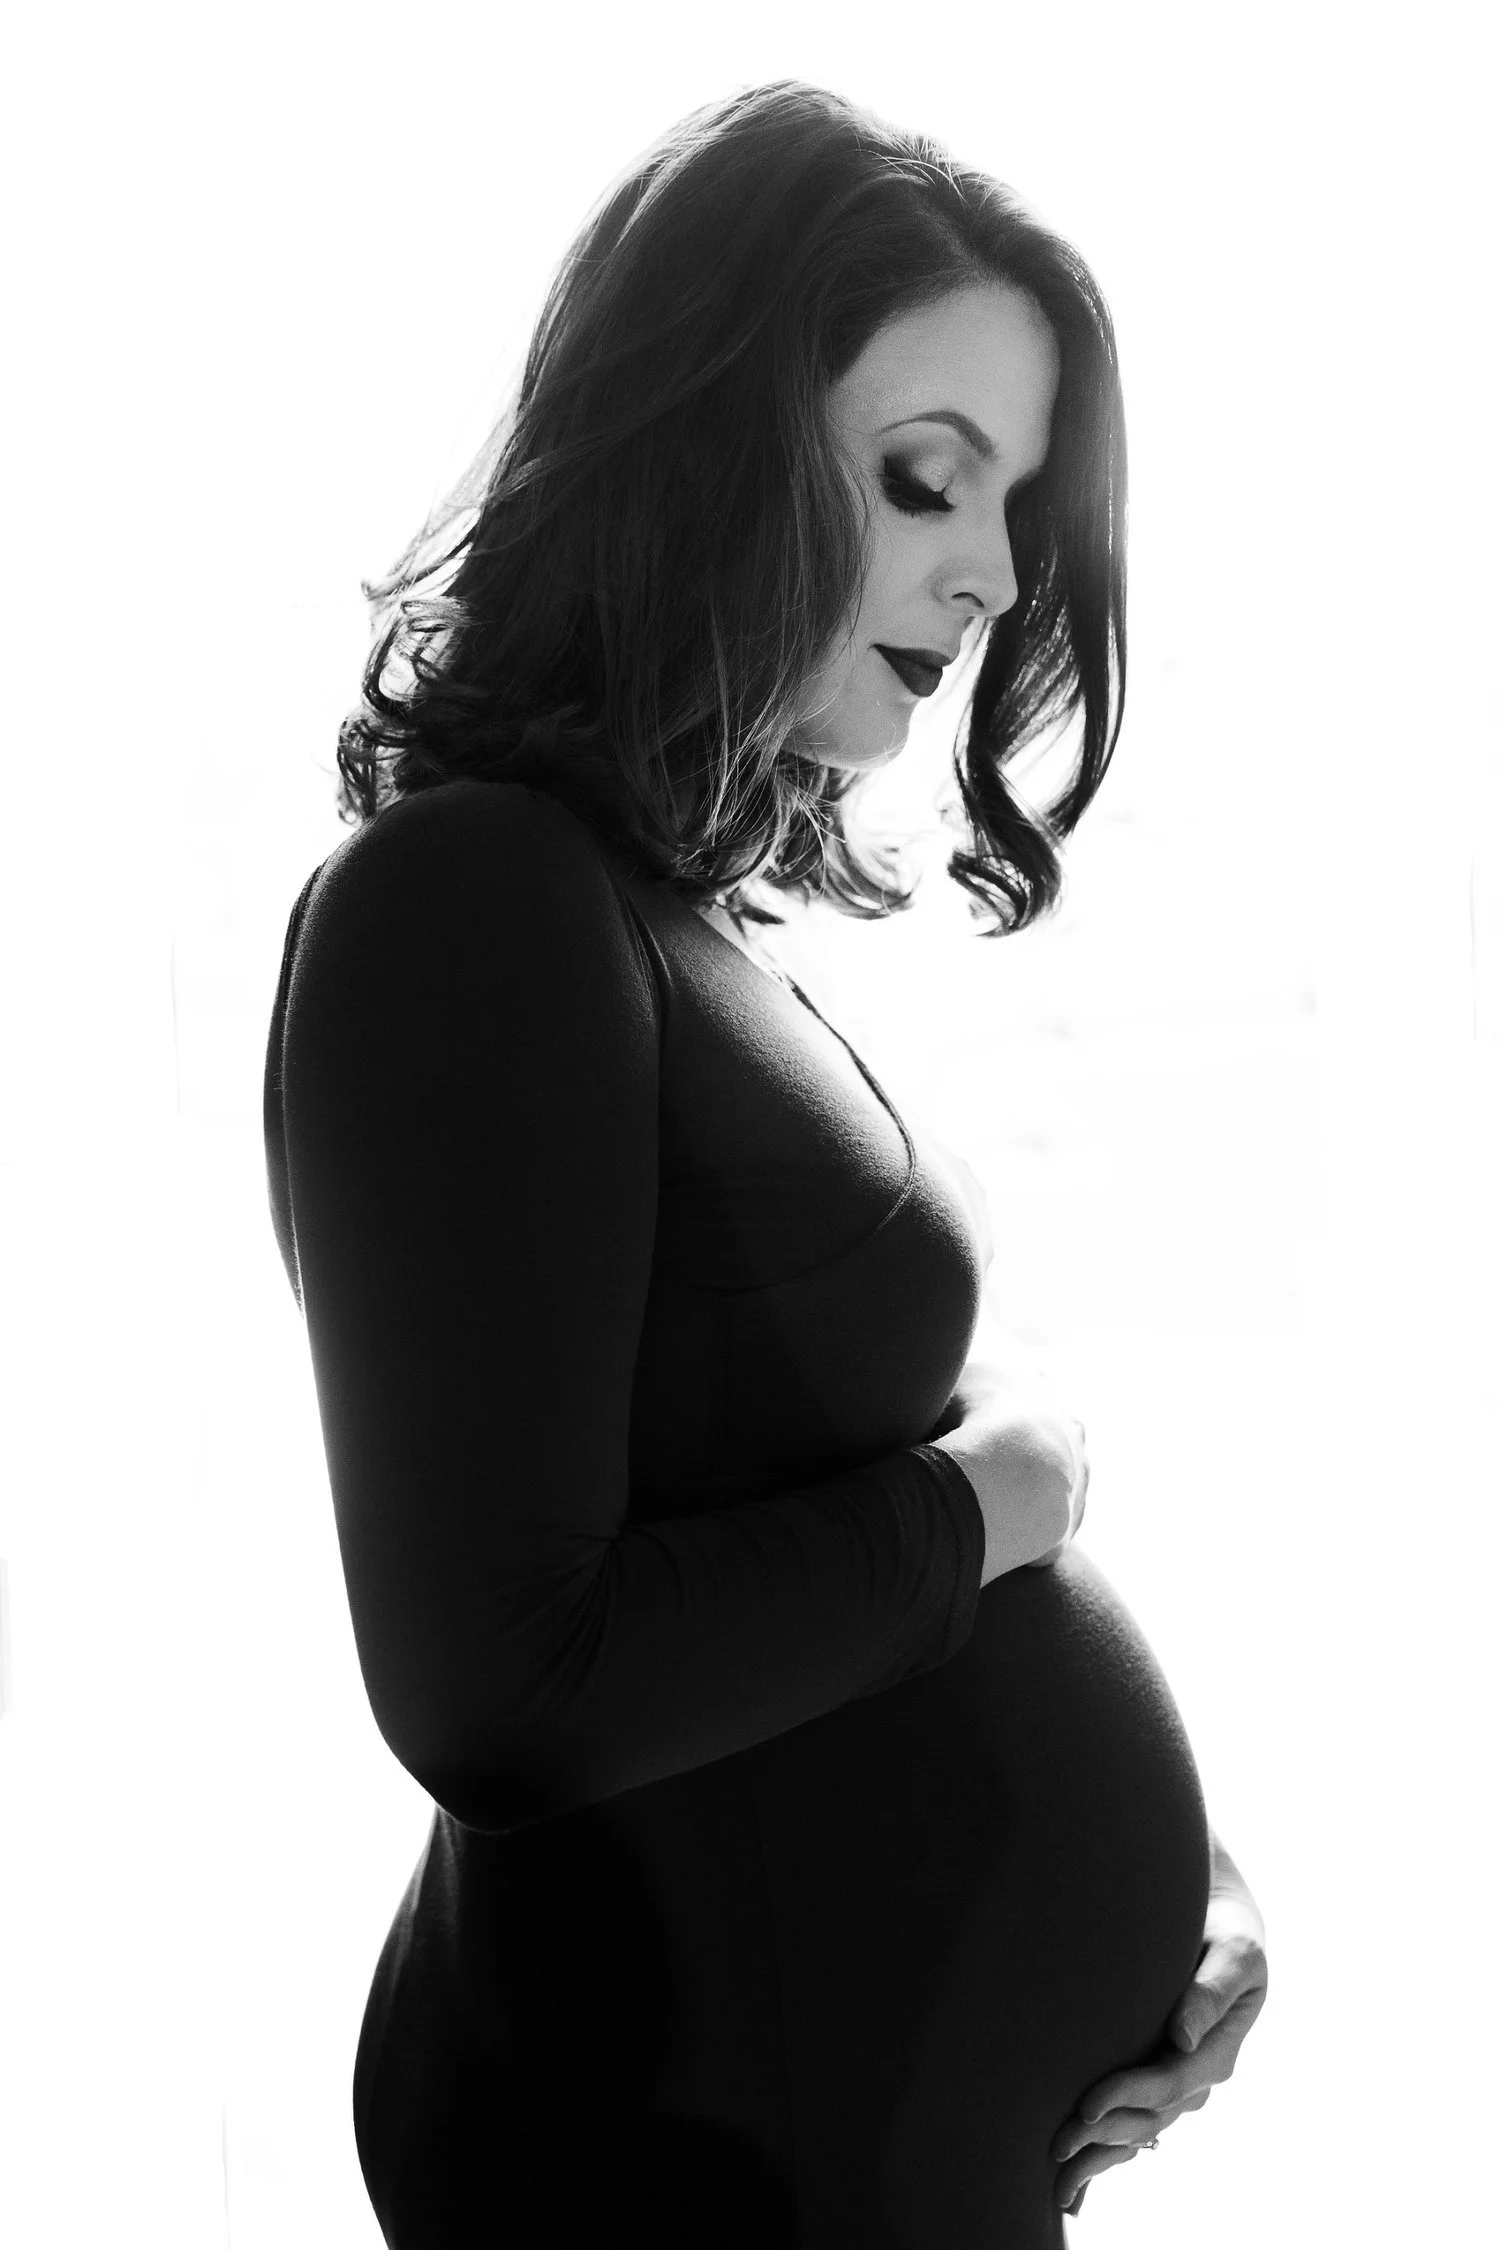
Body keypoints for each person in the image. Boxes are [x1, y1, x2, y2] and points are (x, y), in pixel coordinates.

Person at [262, 78, 1267, 2249]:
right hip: (685, 2162)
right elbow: (501, 1687)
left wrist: (1188, 1899)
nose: (993, 578)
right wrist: (999, 1503)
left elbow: (799, 1546)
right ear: (704, 442)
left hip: (851, 2144)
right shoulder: (471, 907)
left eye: (1011, 510)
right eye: (928, 482)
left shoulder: (661, 922)